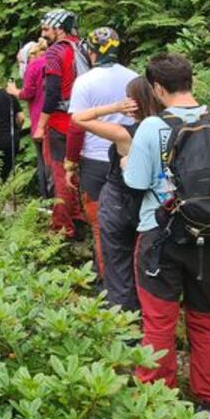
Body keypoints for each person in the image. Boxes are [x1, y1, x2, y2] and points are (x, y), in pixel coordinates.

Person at [123, 54, 210, 419]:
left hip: (161, 237)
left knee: (159, 322)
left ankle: (158, 405)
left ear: (157, 89)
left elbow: (136, 184)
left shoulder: (150, 128)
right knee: (209, 322)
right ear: (191, 81)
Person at [71, 76, 164, 316]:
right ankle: (148, 314)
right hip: (151, 204)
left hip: (119, 203)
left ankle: (125, 320)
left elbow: (79, 118)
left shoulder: (125, 133)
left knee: (117, 262)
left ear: (135, 102)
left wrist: (114, 108)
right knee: (145, 262)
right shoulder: (167, 129)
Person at [66, 27, 138, 278]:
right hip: (129, 156)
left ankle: (107, 280)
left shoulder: (84, 81)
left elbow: (76, 126)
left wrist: (70, 163)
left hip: (95, 161)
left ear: (91, 51)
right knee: (133, 221)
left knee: (100, 225)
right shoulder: (134, 78)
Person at [35, 8, 88, 240]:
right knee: (76, 172)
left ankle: (62, 228)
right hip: (84, 121)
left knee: (60, 174)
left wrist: (40, 124)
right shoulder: (83, 47)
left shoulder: (55, 52)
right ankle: (78, 216)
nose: (43, 34)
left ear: (59, 29)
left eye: (47, 29)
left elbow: (53, 91)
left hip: (59, 122)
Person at [8, 38, 52, 199]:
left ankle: (48, 200)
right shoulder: (53, 60)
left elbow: (28, 93)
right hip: (58, 118)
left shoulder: (34, 65)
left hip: (40, 119)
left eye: (21, 62)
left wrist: (14, 91)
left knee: (44, 162)